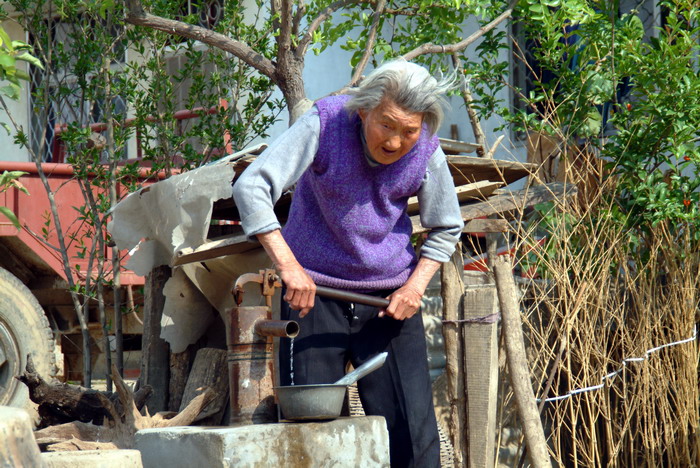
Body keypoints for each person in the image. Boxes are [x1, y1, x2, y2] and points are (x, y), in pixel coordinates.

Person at [232, 58, 464, 467]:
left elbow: (446, 227)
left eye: (408, 130)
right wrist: (290, 268)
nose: (395, 142)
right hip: (313, 295)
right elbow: (252, 186)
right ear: (364, 110)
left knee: (411, 431)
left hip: (389, 303)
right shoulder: (326, 123)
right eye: (387, 125)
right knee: (312, 435)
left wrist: (414, 287)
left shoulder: (426, 148)